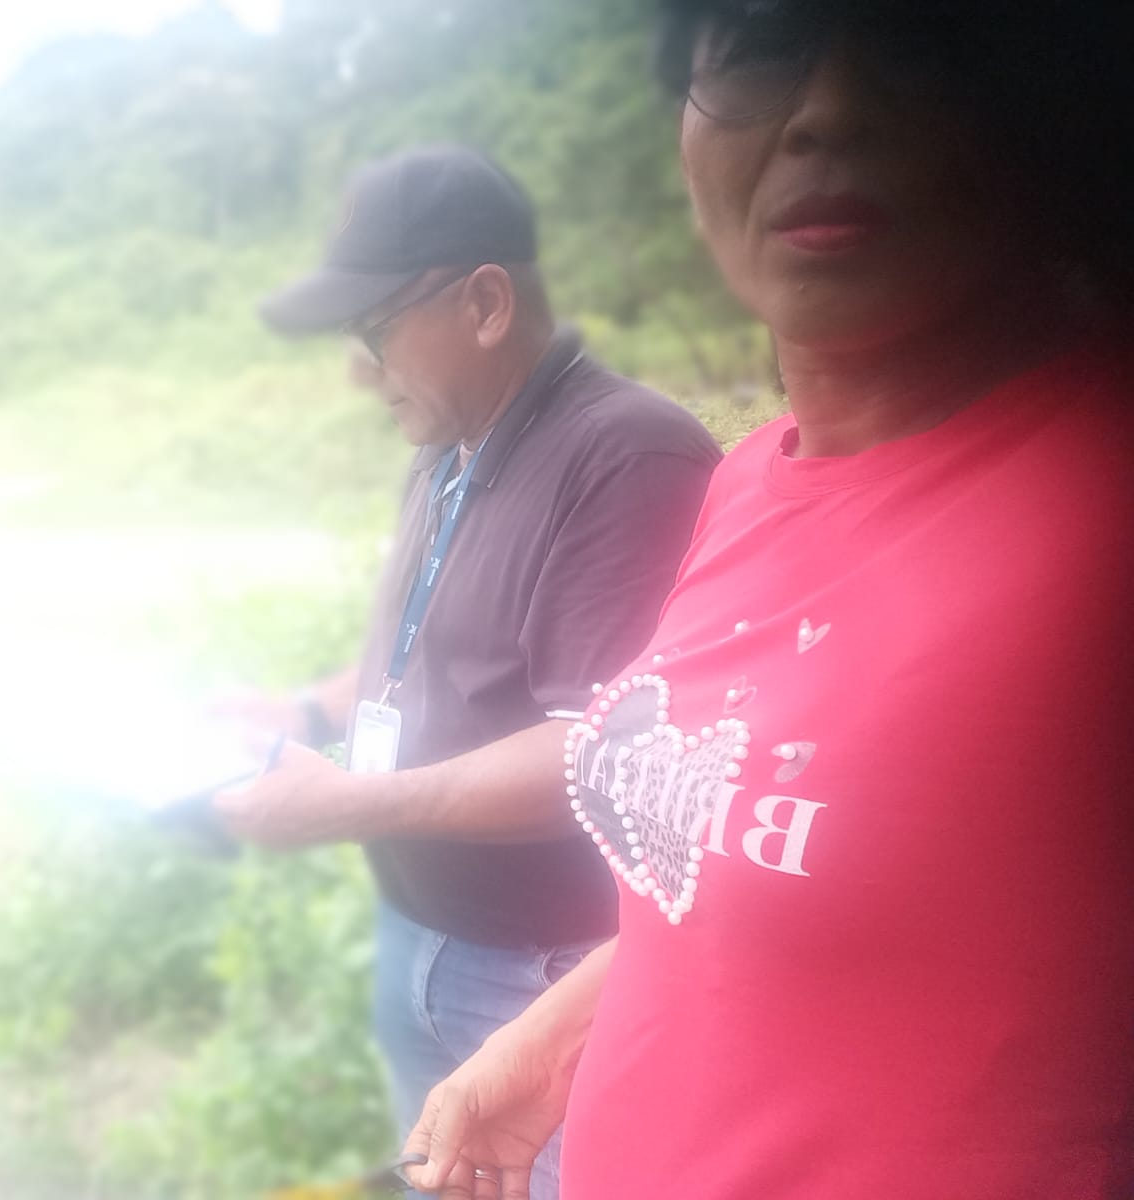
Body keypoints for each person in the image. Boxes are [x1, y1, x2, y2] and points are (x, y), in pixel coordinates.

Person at [401, 3, 1134, 1198]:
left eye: (920, 40)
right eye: (761, 42)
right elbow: (788, 873)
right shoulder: (750, 478)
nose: (829, 109)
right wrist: (546, 1045)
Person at [213, 144, 721, 1198]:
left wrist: (353, 801)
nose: (359, 373)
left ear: (485, 304)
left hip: (543, 976)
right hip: (420, 935)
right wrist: (301, 709)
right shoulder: (445, 450)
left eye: (373, 332)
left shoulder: (627, 456)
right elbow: (421, 658)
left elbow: (602, 753)